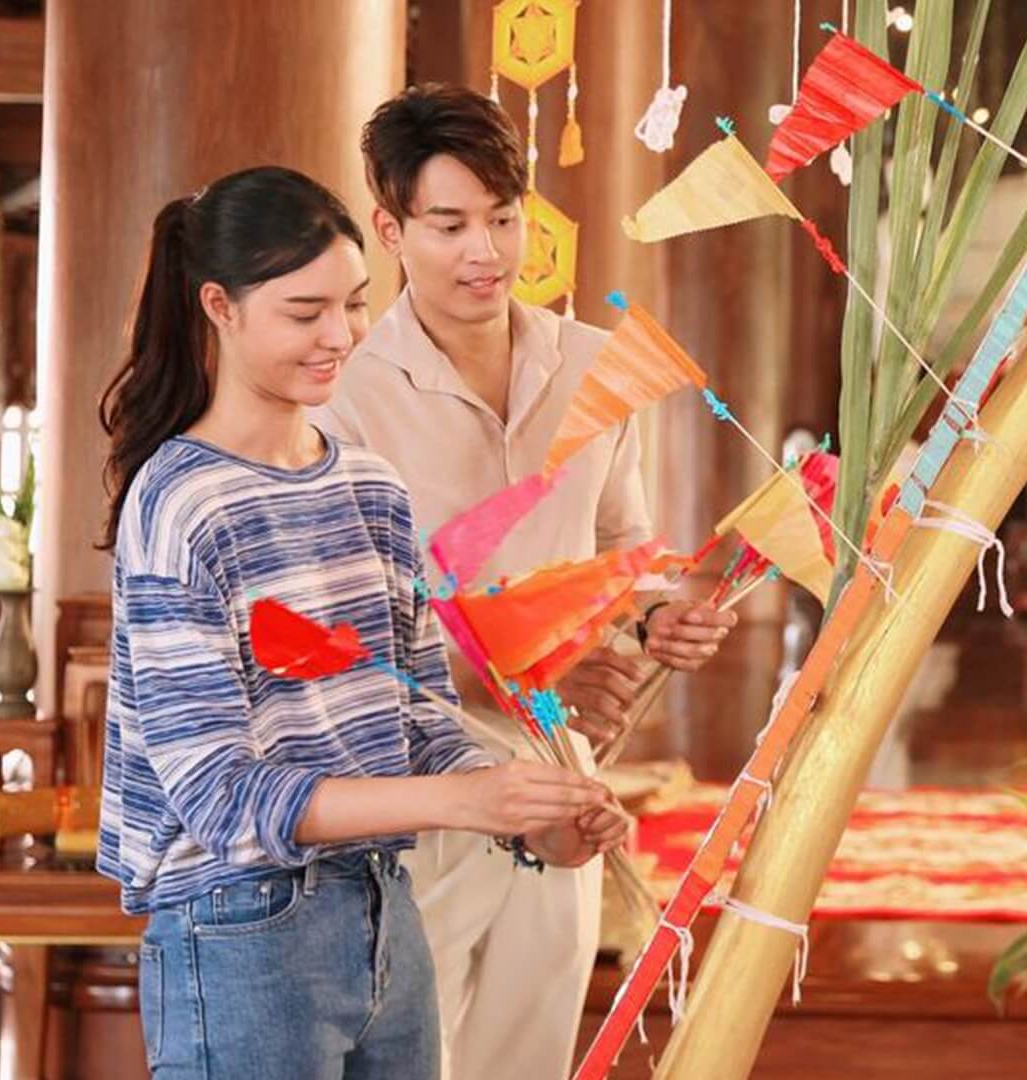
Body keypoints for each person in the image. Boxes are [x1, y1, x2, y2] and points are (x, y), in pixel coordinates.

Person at [94, 165, 624, 1079]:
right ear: (219, 307)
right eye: (305, 313)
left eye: (353, 304)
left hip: (383, 909)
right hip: (237, 934)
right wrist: (463, 803)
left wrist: (528, 820)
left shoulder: (369, 486)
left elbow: (414, 716)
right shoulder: (182, 502)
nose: (340, 336)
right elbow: (218, 795)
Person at [312, 84, 738, 1078]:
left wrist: (658, 620)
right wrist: (526, 674)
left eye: (503, 219)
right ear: (390, 229)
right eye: (450, 224)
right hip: (415, 794)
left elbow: (624, 550)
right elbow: (345, 631)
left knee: (532, 1059)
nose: (486, 252)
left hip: (560, 791)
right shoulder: (344, 394)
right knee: (412, 1062)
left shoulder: (595, 365)